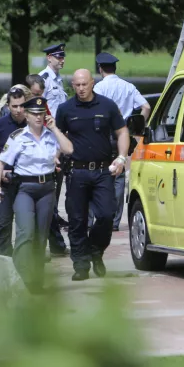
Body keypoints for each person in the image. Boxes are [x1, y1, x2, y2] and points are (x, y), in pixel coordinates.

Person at [0, 96, 74, 293]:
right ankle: (21, 274)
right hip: (25, 189)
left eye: (41, 113)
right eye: (34, 114)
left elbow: (69, 149)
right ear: (26, 116)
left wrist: (55, 128)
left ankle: (35, 279)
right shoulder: (18, 137)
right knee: (25, 233)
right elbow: (1, 163)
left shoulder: (50, 135)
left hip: (47, 188)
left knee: (40, 237)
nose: (38, 117)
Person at [56, 68, 128, 281]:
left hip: (102, 171)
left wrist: (122, 157)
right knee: (77, 221)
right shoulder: (65, 109)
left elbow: (122, 131)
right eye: (77, 85)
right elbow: (57, 136)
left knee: (106, 215)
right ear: (73, 86)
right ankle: (81, 265)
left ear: (92, 83)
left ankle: (95, 251)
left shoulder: (107, 106)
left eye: (84, 84)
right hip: (77, 172)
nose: (80, 89)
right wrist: (54, 157)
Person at [93, 52, 151, 231]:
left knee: (101, 175)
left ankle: (102, 216)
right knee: (118, 177)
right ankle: (115, 221)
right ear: (115, 68)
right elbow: (146, 106)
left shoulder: (99, 88)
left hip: (103, 135)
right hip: (124, 134)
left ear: (100, 68)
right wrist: (136, 128)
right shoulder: (128, 87)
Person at [0, 84, 31, 256]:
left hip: (26, 183)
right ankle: (1, 262)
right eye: (14, 106)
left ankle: (22, 263)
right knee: (2, 223)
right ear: (8, 106)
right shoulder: (0, 125)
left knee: (26, 227)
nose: (18, 110)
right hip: (3, 183)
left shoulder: (33, 125)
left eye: (22, 106)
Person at [28, 72, 68, 257]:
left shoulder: (42, 107)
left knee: (49, 205)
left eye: (41, 94)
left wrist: (56, 156)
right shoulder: (19, 108)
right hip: (29, 166)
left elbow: (52, 131)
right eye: (36, 94)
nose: (40, 99)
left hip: (49, 161)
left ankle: (55, 245)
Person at [38, 43, 68, 116]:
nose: (62, 61)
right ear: (49, 58)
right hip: (49, 125)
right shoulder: (43, 79)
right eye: (59, 58)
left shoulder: (58, 79)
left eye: (63, 57)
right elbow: (38, 104)